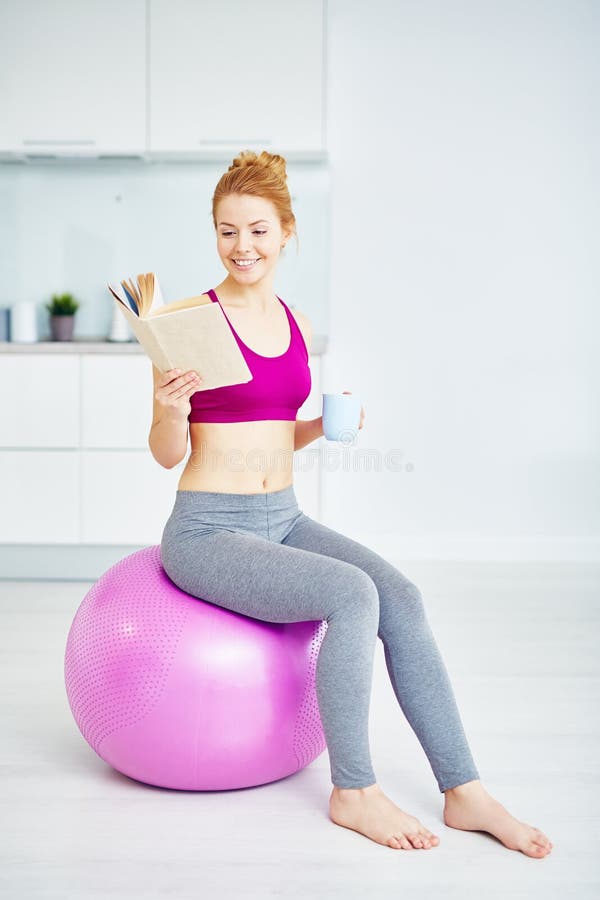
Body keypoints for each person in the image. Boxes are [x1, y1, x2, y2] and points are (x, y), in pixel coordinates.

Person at [152, 149, 552, 857]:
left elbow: (272, 428)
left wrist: (320, 427)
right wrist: (168, 409)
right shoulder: (189, 319)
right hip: (207, 530)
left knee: (400, 595)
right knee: (351, 594)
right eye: (226, 231)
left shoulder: (297, 324)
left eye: (257, 230)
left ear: (286, 232)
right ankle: (354, 790)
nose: (242, 246)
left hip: (283, 518)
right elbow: (165, 452)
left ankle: (464, 790)